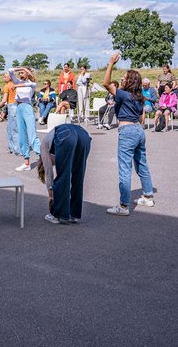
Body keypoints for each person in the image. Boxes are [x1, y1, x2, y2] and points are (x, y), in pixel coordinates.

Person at [103, 52, 154, 216]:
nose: (122, 79)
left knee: (125, 168)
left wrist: (111, 62)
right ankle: (147, 196)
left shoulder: (124, 95)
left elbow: (105, 83)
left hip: (127, 131)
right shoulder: (139, 98)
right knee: (142, 164)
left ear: (130, 81)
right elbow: (141, 117)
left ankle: (123, 206)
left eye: (124, 78)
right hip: (139, 130)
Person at [38, 124, 91, 224]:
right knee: (78, 176)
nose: (53, 164)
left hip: (65, 133)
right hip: (84, 135)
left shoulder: (43, 147)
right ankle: (74, 214)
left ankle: (58, 215)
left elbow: (49, 173)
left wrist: (50, 195)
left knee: (62, 176)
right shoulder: (53, 144)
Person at [9, 66, 41, 171]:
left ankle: (42, 157)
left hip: (27, 107)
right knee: (22, 136)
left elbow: (29, 82)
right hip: (18, 108)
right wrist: (20, 68)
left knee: (32, 134)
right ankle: (26, 163)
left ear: (27, 73)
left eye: (22, 72)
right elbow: (10, 70)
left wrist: (25, 69)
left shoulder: (32, 84)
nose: (20, 74)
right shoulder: (17, 81)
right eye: (20, 73)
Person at [0, 73, 20, 152]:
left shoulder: (7, 86)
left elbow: (4, 100)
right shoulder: (16, 84)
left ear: (10, 77)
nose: (3, 78)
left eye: (5, 77)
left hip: (11, 106)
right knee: (11, 128)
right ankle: (11, 147)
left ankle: (16, 149)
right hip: (16, 105)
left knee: (13, 129)